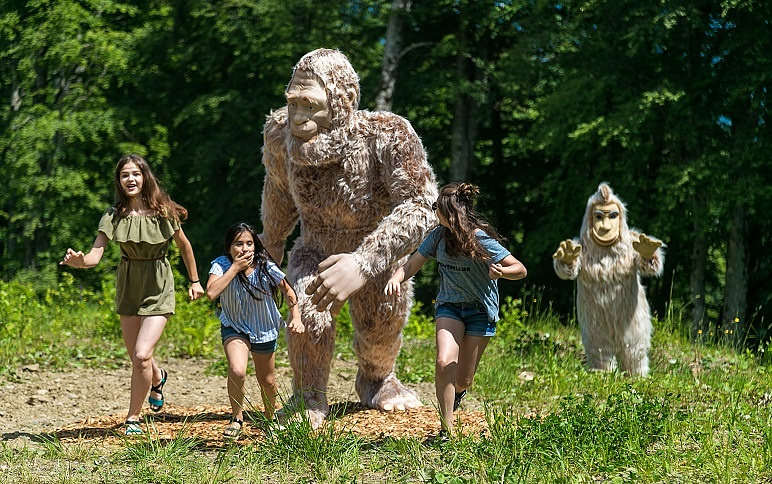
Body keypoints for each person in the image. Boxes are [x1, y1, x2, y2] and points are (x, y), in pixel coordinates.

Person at [60, 154, 205, 435]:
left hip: (158, 284)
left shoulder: (163, 212)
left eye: (135, 174)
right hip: (128, 285)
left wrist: (195, 281)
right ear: (119, 181)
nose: (130, 179)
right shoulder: (113, 216)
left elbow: (185, 246)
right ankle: (158, 377)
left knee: (141, 354)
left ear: (145, 177)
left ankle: (133, 419)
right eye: (125, 175)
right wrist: (80, 261)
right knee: (138, 359)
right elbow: (94, 256)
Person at [385, 182, 527, 437]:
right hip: (449, 306)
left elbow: (520, 269)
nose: (434, 211)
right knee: (444, 361)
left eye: (436, 207)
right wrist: (396, 277)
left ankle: (457, 393)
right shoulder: (437, 236)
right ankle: (446, 430)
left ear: (450, 213)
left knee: (463, 380)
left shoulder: (480, 239)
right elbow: (411, 265)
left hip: (480, 311)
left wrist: (502, 272)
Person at [206, 222, 303, 440]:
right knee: (237, 370)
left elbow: (288, 291)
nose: (245, 248)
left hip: (263, 327)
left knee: (267, 380)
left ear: (255, 245)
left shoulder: (265, 265)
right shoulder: (221, 265)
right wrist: (234, 268)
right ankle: (236, 418)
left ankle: (270, 419)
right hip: (234, 325)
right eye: (238, 244)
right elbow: (211, 293)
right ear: (229, 247)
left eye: (249, 243)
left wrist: (296, 317)